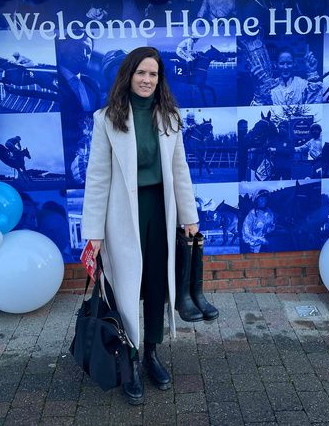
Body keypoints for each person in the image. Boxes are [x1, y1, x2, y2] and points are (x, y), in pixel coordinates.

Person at [81, 46, 217, 406]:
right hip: (122, 216)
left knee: (158, 284)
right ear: (128, 75)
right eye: (141, 73)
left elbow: (180, 171)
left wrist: (190, 217)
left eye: (153, 74)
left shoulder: (170, 116)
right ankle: (129, 360)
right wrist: (92, 233)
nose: (147, 80)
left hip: (161, 211)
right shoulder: (106, 118)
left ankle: (152, 354)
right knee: (126, 287)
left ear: (160, 79)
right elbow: (96, 178)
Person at [57, 37, 102, 113]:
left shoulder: (93, 86)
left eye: (88, 50)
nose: (84, 54)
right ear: (62, 48)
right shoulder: (46, 78)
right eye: (78, 47)